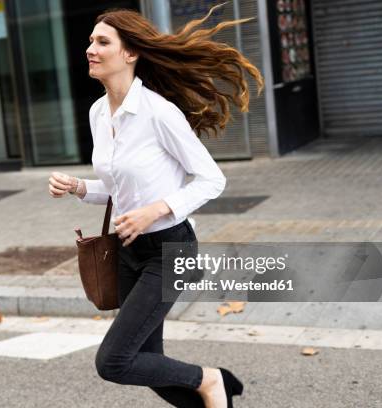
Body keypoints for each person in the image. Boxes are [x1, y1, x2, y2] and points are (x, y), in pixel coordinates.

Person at [48, 4, 264, 407]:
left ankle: (212, 380)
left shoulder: (159, 113)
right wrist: (78, 187)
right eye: (91, 42)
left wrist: (157, 209)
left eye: (102, 42)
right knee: (146, 363)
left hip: (170, 251)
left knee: (114, 361)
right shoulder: (98, 112)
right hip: (130, 251)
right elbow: (118, 189)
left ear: (130, 53)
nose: (90, 49)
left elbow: (212, 179)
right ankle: (215, 395)